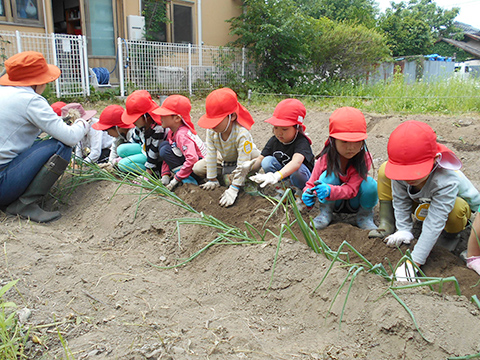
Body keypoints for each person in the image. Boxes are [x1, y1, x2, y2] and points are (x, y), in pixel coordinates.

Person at [375, 121, 480, 281]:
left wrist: (414, 262)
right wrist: (404, 228)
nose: (407, 177)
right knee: (384, 170)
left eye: (414, 172)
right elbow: (400, 198)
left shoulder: (447, 179)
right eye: (404, 171)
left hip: (453, 206)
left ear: (435, 159)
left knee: (456, 211)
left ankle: (450, 236)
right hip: (421, 199)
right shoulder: (402, 170)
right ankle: (395, 224)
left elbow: (434, 222)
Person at [0, 51, 89, 222]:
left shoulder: (4, 93)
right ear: (36, 81)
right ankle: (25, 204)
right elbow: (69, 137)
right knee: (60, 146)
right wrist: (82, 124)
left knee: (39, 142)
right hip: (2, 184)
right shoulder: (30, 100)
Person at [301, 107, 378, 230]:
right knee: (327, 176)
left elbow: (352, 189)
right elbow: (311, 183)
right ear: (333, 140)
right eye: (345, 142)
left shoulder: (365, 158)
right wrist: (308, 193)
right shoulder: (325, 159)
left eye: (356, 141)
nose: (351, 147)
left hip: (355, 202)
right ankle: (325, 213)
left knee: (370, 184)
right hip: (333, 203)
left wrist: (330, 191)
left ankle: (365, 215)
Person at [194, 88, 260, 207]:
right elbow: (211, 154)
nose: (212, 125)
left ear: (233, 116)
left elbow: (243, 162)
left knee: (255, 162)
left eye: (217, 121)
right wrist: (211, 179)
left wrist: (234, 188)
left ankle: (240, 179)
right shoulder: (212, 131)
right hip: (226, 159)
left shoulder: (242, 133)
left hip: (246, 159)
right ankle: (226, 177)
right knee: (198, 168)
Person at [249, 98, 314, 195]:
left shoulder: (302, 142)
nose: (279, 133)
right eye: (275, 127)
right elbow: (260, 159)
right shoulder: (274, 140)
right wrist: (248, 169)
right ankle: (284, 188)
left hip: (301, 178)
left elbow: (296, 162)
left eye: (284, 129)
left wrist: (276, 176)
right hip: (284, 176)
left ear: (296, 128)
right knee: (266, 161)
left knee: (298, 170)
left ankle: (300, 192)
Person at [151, 95, 206, 190]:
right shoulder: (172, 131)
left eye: (164, 115)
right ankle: (182, 176)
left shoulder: (182, 134)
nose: (160, 117)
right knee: (164, 146)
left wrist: (176, 179)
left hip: (199, 170)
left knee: (165, 150)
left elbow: (192, 159)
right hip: (190, 166)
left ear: (177, 118)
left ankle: (189, 182)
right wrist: (165, 174)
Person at [120, 90, 168, 175]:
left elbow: (153, 154)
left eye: (135, 118)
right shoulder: (141, 125)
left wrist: (147, 173)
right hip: (145, 149)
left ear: (147, 116)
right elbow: (134, 140)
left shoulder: (158, 129)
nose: (133, 122)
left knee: (122, 165)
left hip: (153, 157)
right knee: (121, 150)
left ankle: (155, 171)